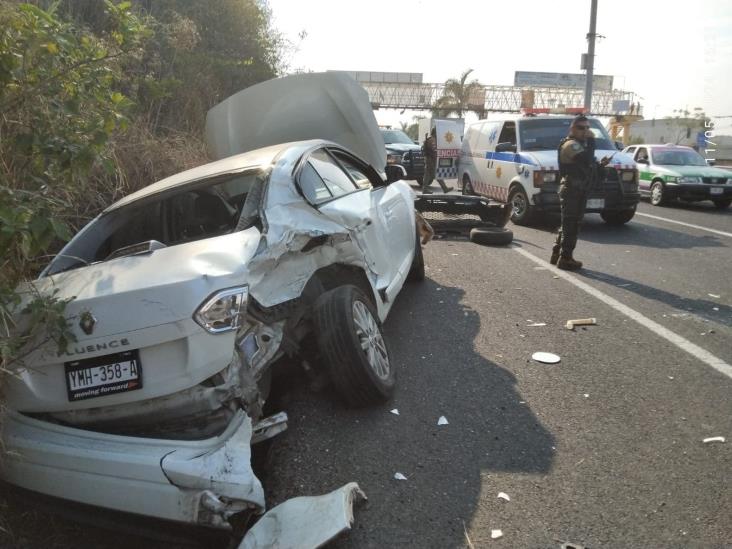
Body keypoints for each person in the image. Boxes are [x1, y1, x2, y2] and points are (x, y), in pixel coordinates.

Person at [550, 115, 609, 270]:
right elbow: (586, 159)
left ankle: (558, 253)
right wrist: (592, 141)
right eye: (581, 128)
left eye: (588, 128)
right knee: (571, 225)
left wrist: (600, 166)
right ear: (572, 129)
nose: (586, 131)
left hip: (578, 190)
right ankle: (565, 258)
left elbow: (588, 165)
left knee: (568, 224)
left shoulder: (580, 145)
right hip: (571, 191)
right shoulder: (570, 145)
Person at [421, 127, 453, 194]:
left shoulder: (431, 139)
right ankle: (444, 188)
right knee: (435, 174)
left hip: (429, 159)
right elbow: (434, 150)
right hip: (430, 160)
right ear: (435, 133)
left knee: (428, 175)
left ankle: (425, 189)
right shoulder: (432, 140)